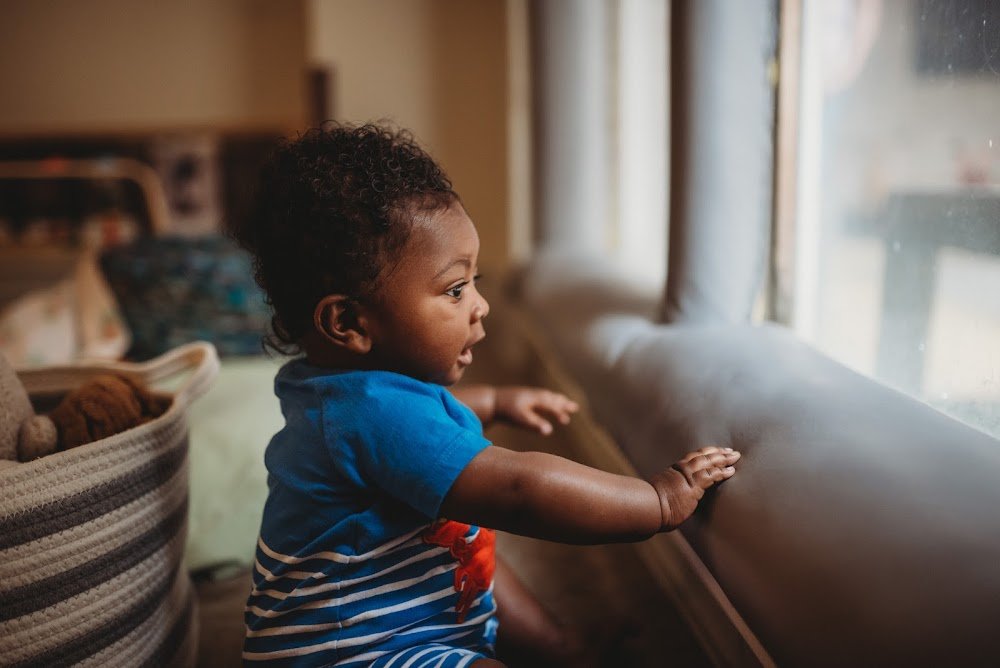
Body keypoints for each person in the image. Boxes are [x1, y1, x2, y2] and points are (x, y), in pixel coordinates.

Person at [231, 123, 741, 667]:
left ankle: (558, 648)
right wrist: (657, 501)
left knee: (466, 538)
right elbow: (521, 490)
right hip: (347, 651)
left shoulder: (338, 394)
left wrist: (493, 402)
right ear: (348, 321)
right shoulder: (368, 413)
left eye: (474, 282)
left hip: (388, 617)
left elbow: (420, 427)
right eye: (454, 290)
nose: (481, 305)